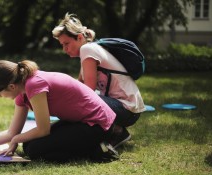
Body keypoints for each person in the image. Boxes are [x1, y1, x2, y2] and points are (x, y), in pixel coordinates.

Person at [0, 59, 121, 162]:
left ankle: (96, 148)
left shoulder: (34, 84)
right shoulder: (21, 91)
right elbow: (12, 132)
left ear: (11, 86)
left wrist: (16, 139)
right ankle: (90, 144)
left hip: (99, 125)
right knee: (29, 145)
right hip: (81, 122)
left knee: (35, 151)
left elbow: (43, 129)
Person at [52, 13, 145, 148]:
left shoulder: (87, 49)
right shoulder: (89, 49)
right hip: (125, 108)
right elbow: (78, 85)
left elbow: (87, 91)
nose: (64, 49)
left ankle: (116, 131)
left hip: (127, 109)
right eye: (62, 45)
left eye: (66, 43)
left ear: (79, 37)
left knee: (81, 100)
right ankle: (115, 131)